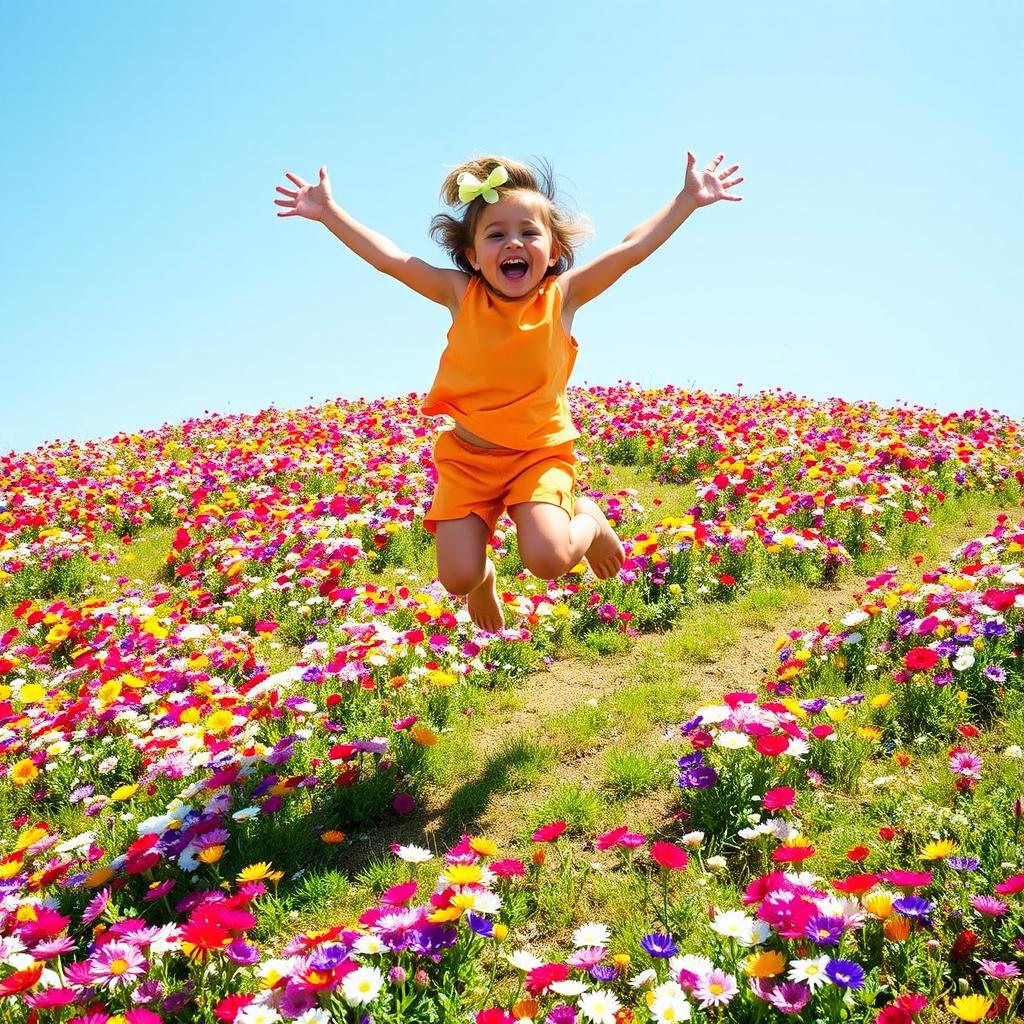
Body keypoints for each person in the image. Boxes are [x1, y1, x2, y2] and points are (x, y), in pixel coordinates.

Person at [275, 152, 743, 631]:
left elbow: (629, 250)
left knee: (549, 558)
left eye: (528, 232)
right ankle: (484, 580)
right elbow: (391, 259)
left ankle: (590, 520)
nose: (513, 242)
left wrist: (687, 200)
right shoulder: (460, 294)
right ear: (474, 256)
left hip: (538, 456)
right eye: (496, 234)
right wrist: (330, 213)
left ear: (554, 251)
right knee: (456, 577)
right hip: (468, 460)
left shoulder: (563, 296)